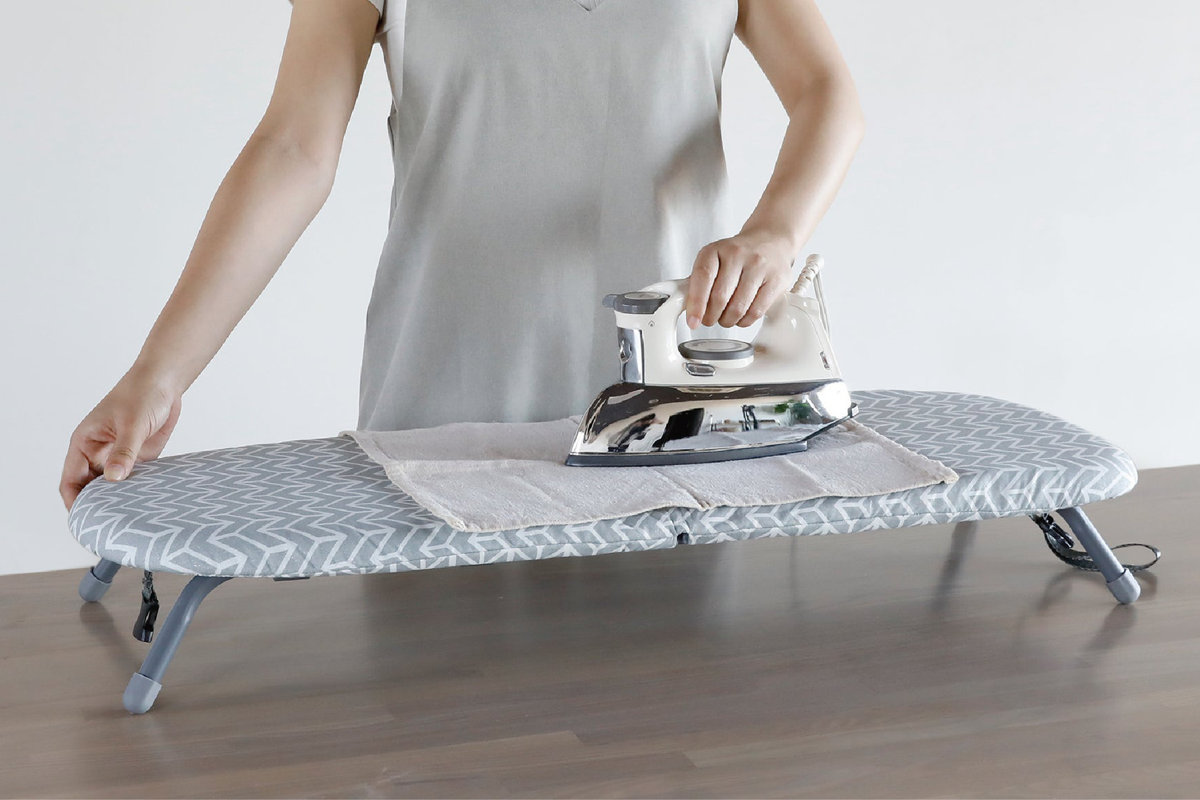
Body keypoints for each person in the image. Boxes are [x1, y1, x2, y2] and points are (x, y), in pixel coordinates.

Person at [59, 0, 864, 511]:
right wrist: (157, 376)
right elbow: (292, 149)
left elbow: (825, 90)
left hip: (676, 422)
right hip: (442, 424)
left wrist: (777, 230)